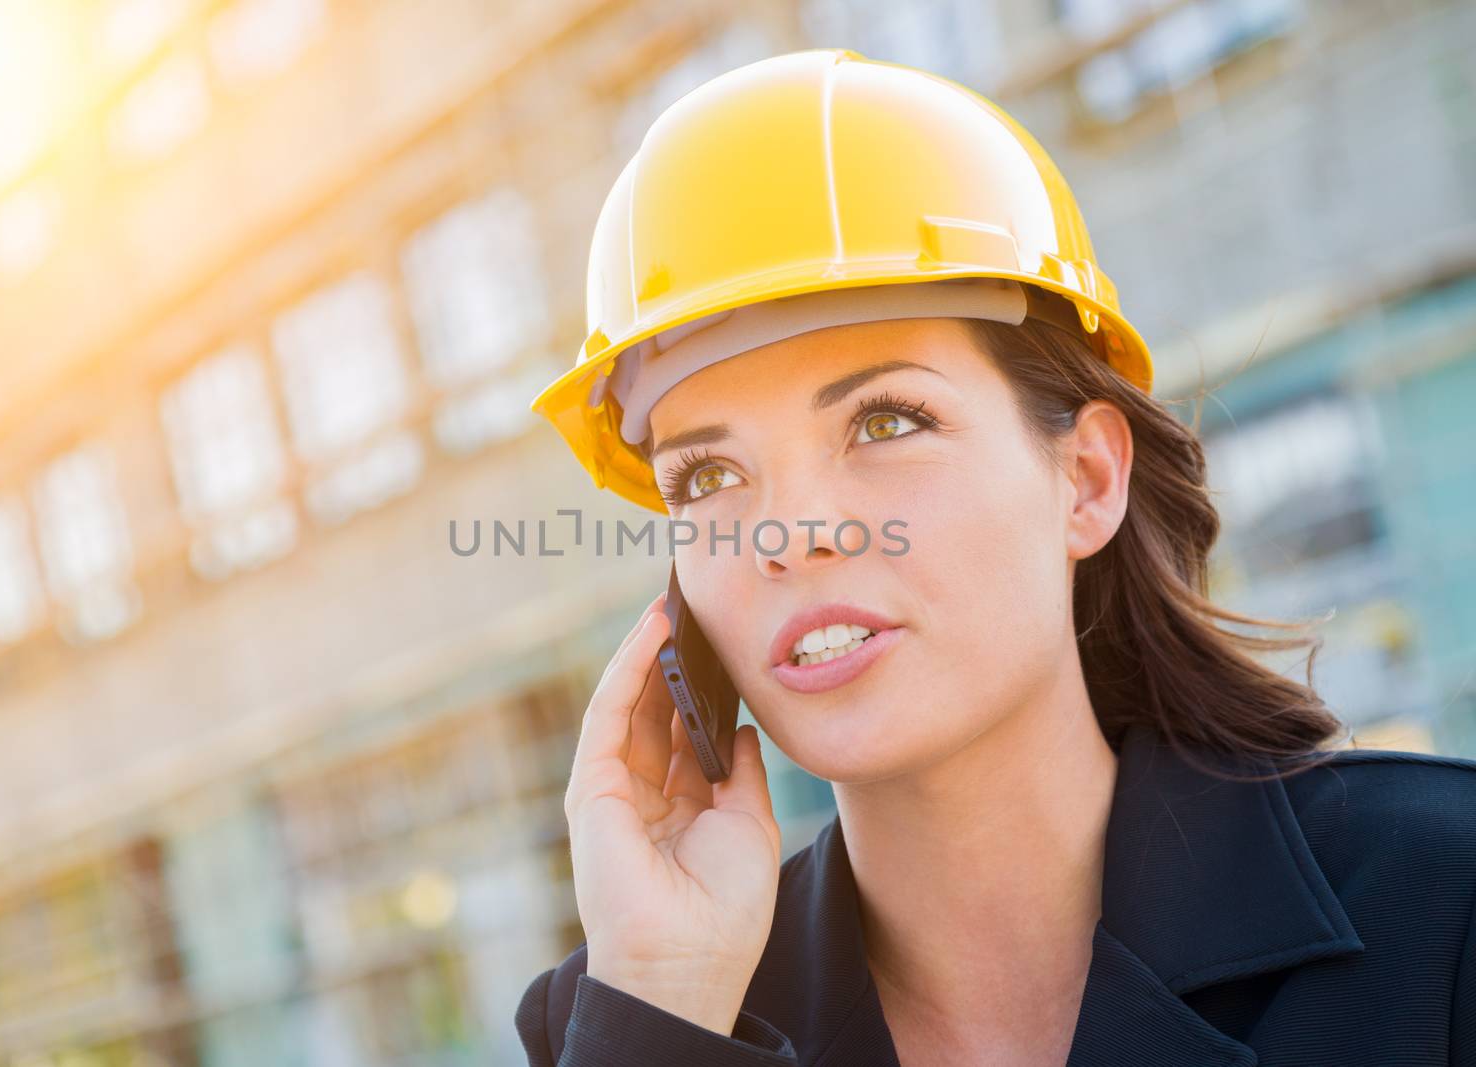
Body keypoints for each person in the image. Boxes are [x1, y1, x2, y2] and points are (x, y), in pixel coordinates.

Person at [516, 49, 1476, 1066]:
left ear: (1087, 478)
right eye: (706, 478)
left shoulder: (1440, 898)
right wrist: (665, 1007)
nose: (788, 533)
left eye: (885, 419)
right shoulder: (636, 1006)